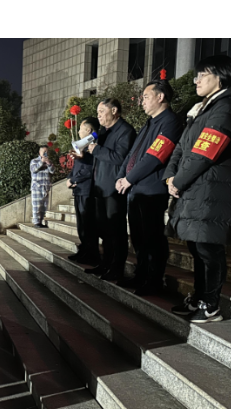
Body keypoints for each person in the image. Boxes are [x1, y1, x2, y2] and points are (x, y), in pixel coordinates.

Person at [164, 55, 231, 324]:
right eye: (197, 75)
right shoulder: (200, 109)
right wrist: (170, 176)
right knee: (196, 247)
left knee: (208, 248)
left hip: (211, 190)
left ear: (221, 75)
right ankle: (200, 296)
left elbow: (205, 152)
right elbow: (181, 147)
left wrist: (178, 181)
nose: (197, 80)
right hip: (194, 189)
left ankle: (211, 305)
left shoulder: (225, 108)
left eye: (203, 74)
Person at [115, 80, 184, 296]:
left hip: (152, 189)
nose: (141, 101)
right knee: (137, 236)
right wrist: (121, 176)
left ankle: (154, 280)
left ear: (160, 97)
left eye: (145, 96)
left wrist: (129, 179)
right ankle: (141, 274)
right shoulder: (149, 122)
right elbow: (133, 154)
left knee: (152, 237)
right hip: (135, 188)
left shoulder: (170, 122)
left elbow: (156, 156)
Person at [85, 99, 137, 281]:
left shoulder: (126, 131)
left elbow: (120, 157)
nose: (98, 115)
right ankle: (105, 263)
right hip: (100, 186)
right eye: (97, 111)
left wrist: (96, 150)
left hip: (114, 188)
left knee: (116, 231)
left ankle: (117, 267)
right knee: (104, 230)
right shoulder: (103, 131)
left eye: (101, 111)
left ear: (114, 110)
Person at [67, 117, 101, 266]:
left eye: (81, 128)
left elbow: (89, 170)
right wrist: (70, 179)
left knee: (88, 224)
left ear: (88, 130)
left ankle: (92, 253)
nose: (79, 131)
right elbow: (76, 167)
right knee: (81, 224)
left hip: (87, 189)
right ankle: (84, 249)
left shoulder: (94, 146)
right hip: (79, 189)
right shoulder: (82, 146)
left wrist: (74, 180)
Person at [30, 145, 55, 228]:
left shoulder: (49, 161)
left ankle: (41, 221)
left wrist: (48, 163)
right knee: (37, 205)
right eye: (44, 152)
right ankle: (36, 222)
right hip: (37, 186)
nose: (45, 153)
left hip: (46, 186)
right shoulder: (34, 161)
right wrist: (41, 162)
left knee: (44, 206)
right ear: (40, 152)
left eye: (47, 152)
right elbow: (34, 169)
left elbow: (52, 171)